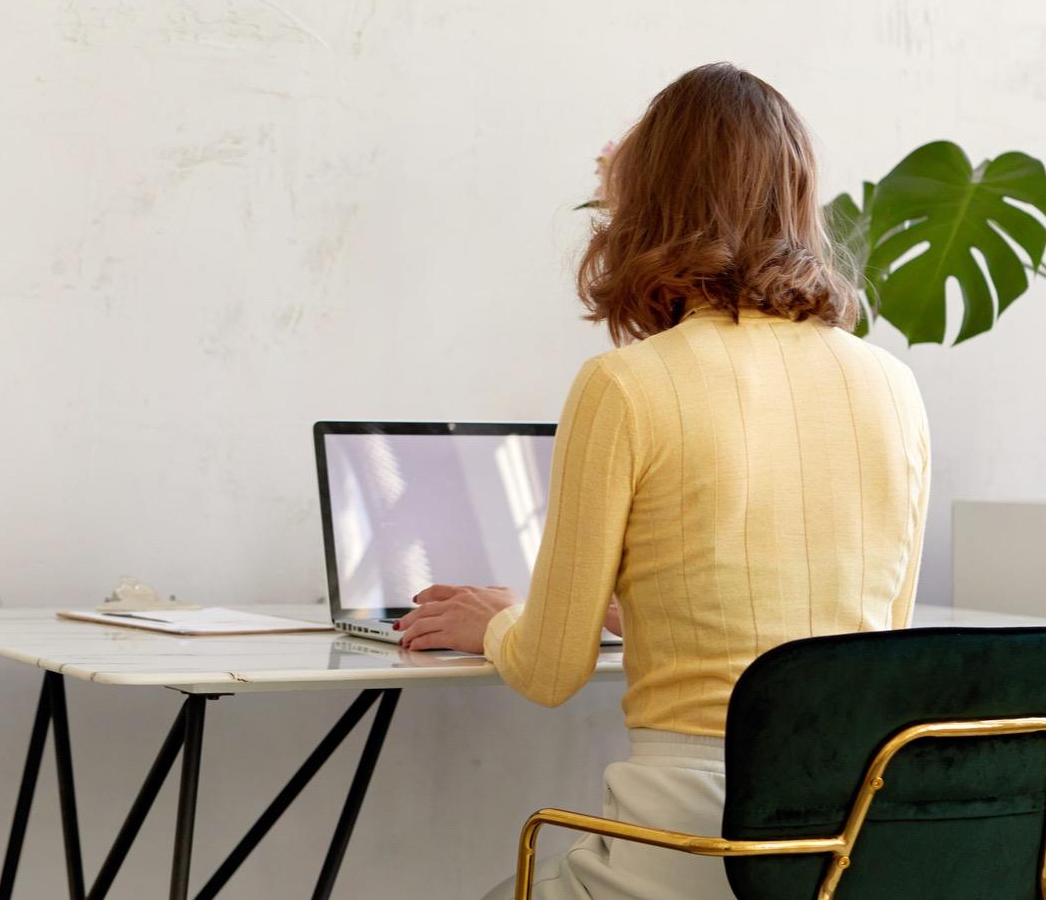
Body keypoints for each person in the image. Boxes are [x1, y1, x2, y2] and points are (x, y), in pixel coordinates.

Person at [395, 63, 931, 900]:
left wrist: (497, 615)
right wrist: (648, 606)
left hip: (689, 849)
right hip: (842, 848)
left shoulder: (627, 385)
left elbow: (548, 671)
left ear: (644, 204)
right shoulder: (891, 386)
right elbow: (869, 640)